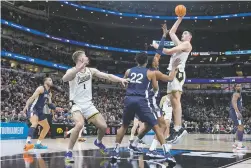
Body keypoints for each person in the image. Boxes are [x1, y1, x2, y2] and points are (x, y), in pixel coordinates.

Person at [62, 50, 128, 163]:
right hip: (76, 104)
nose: (87, 57)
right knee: (79, 124)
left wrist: (120, 79)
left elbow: (107, 76)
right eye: (85, 56)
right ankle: (69, 152)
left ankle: (98, 141)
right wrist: (78, 68)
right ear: (80, 59)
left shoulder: (90, 71)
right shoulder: (72, 71)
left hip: (88, 105)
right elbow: (64, 78)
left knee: (103, 127)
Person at [110, 52, 176, 164]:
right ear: (146, 61)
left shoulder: (129, 71)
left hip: (129, 99)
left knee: (124, 126)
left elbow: (125, 82)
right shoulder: (150, 73)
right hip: (142, 101)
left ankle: (115, 151)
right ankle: (167, 153)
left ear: (136, 60)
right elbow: (155, 88)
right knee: (156, 126)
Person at [152, 17, 192, 144]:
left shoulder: (186, 44)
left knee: (175, 99)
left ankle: (178, 128)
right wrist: (179, 18)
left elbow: (168, 51)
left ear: (189, 37)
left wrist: (157, 46)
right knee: (171, 99)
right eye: (183, 32)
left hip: (178, 72)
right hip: (173, 72)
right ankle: (176, 128)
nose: (183, 34)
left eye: (186, 33)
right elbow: (171, 32)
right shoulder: (180, 45)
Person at [23, 77, 63, 151]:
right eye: (50, 80)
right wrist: (26, 106)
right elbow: (32, 98)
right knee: (34, 123)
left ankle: (38, 144)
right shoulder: (41, 88)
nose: (51, 81)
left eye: (52, 80)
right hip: (33, 108)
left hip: (40, 111)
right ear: (45, 82)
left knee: (47, 127)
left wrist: (55, 108)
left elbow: (49, 104)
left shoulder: (49, 93)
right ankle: (28, 143)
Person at [230, 84, 246, 150]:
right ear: (235, 88)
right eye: (237, 86)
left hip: (235, 112)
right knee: (241, 127)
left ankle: (236, 143)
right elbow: (234, 103)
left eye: (240, 86)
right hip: (235, 112)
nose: (239, 87)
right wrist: (238, 112)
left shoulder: (238, 94)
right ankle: (240, 145)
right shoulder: (236, 94)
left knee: (239, 128)